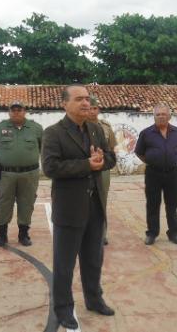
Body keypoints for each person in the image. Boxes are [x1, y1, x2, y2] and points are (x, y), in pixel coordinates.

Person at [41, 84, 116, 330]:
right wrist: (87, 165)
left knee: (93, 258)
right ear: (65, 104)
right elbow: (51, 168)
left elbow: (110, 158)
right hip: (69, 207)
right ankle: (63, 309)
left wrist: (102, 160)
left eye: (87, 99)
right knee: (65, 263)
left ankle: (94, 299)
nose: (86, 103)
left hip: (95, 205)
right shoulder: (54, 133)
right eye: (79, 99)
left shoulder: (95, 129)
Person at [0, 101, 43, 247]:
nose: (16, 112)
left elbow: (43, 146)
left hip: (29, 174)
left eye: (19, 110)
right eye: (13, 110)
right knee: (3, 203)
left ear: (25, 111)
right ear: (9, 112)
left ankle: (23, 234)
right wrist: (8, 157)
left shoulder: (36, 128)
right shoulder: (0, 128)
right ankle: (2, 235)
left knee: (27, 203)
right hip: (6, 174)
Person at [135, 103, 177, 246]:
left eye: (164, 114)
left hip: (172, 173)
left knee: (173, 204)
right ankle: (152, 233)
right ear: (154, 116)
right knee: (152, 204)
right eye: (158, 114)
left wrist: (171, 159)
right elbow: (139, 152)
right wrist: (154, 161)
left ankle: (174, 233)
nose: (161, 117)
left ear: (169, 116)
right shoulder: (146, 133)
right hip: (153, 173)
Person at [87, 95, 117, 245]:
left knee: (101, 201)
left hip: (103, 169)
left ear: (98, 109)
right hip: (84, 168)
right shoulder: (79, 126)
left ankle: (102, 233)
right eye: (90, 108)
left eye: (95, 108)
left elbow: (111, 148)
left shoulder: (106, 126)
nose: (92, 111)